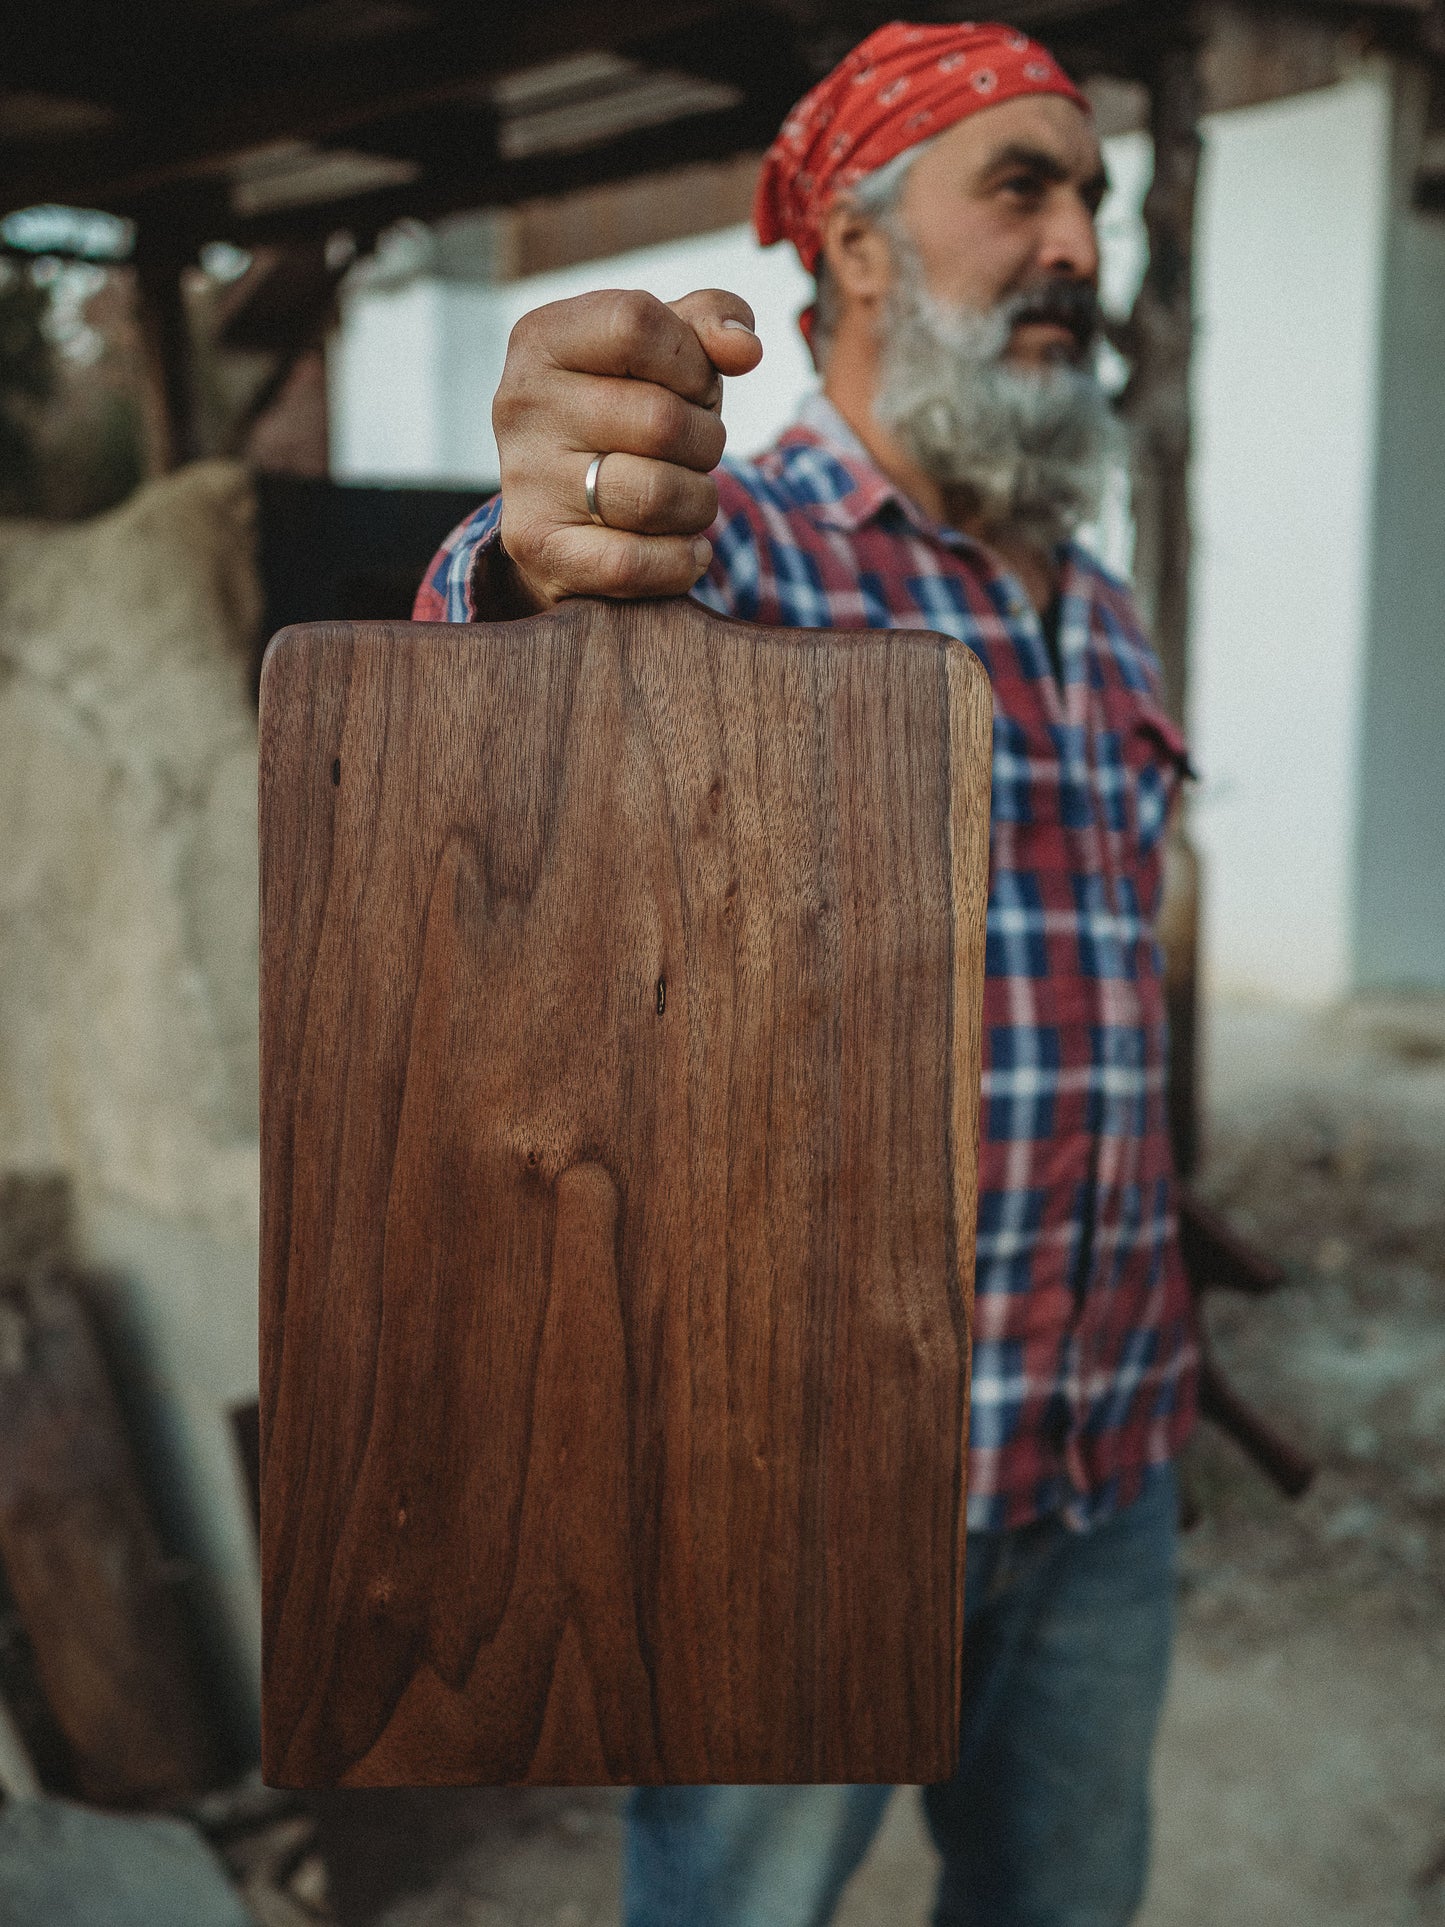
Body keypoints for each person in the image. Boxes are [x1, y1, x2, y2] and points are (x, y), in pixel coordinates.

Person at [416, 21, 1197, 1927]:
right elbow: (506, 673)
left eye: (1091, 196)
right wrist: (541, 543)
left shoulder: (1091, 612)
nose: (1080, 247)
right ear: (855, 249)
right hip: (810, 1488)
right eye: (1017, 187)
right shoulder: (742, 549)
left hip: (1108, 1461)